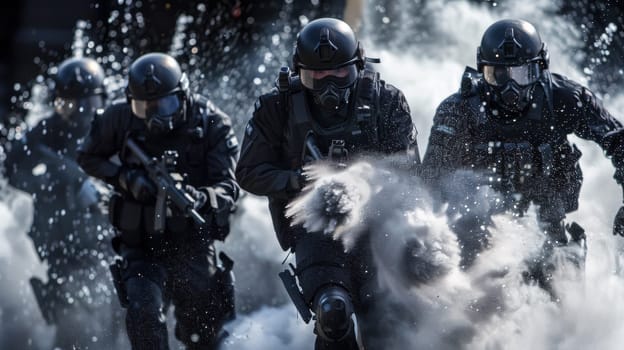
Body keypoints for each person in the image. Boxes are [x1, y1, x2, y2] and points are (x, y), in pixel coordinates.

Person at [235, 17, 419, 349]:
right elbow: (248, 171)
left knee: (383, 327)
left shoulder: (385, 101)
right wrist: (297, 180)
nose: (328, 84)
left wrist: (362, 182)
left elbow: (409, 172)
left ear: (358, 67)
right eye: (316, 75)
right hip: (313, 229)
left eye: (338, 74)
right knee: (333, 315)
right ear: (298, 73)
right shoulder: (276, 108)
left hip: (377, 230)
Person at [420, 19, 624, 292]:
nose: (510, 89)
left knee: (562, 296)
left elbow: (618, 141)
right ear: (483, 71)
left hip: (549, 224)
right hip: (478, 230)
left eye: (522, 75)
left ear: (541, 68)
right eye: (498, 75)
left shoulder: (565, 99)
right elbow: (430, 181)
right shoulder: (459, 110)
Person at [76, 52, 239, 350]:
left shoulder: (212, 122)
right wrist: (126, 178)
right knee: (144, 314)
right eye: (144, 107)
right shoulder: (120, 116)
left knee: (203, 332)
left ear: (183, 94)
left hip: (192, 242)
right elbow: (87, 157)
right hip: (142, 243)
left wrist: (201, 197)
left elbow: (230, 187)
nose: (155, 115)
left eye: (166, 104)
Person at [2, 56, 122, 349]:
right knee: (78, 328)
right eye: (69, 104)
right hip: (63, 248)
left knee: (122, 326)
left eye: (88, 104)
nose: (79, 113)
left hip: (110, 246)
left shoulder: (112, 133)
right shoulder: (46, 134)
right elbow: (14, 170)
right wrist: (62, 179)